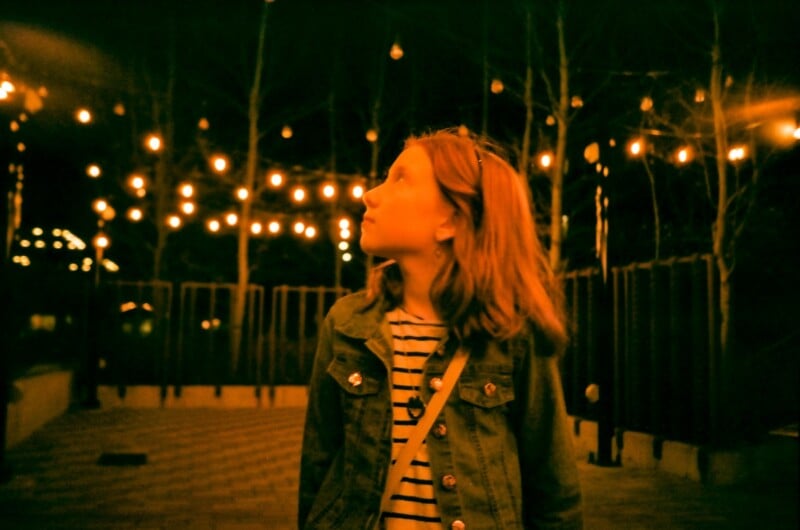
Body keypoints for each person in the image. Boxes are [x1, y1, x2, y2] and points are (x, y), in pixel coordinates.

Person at [298, 128, 583, 529]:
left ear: (449, 219)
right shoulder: (347, 325)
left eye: (400, 179)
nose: (370, 194)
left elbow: (553, 491)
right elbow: (319, 470)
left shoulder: (511, 335)